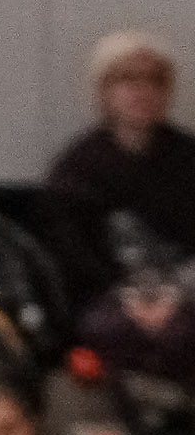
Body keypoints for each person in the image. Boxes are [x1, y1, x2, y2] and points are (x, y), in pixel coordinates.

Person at [45, 33, 195, 386]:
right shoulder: (76, 167)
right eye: (128, 79)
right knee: (108, 331)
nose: (142, 91)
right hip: (109, 298)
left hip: (185, 294)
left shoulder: (189, 159)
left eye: (154, 80)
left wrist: (175, 297)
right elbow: (72, 255)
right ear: (103, 91)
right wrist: (130, 299)